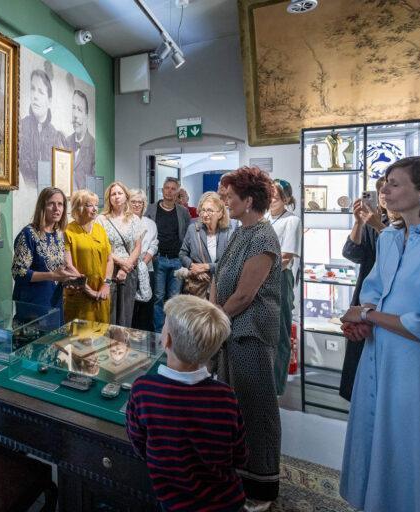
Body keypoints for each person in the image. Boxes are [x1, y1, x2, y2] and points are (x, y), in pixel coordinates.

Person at [339, 156, 420, 512]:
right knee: (378, 435)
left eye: (395, 183)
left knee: (413, 447)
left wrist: (368, 315)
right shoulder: (391, 237)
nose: (385, 190)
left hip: (419, 366)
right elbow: (375, 289)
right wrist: (364, 321)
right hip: (380, 354)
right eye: (385, 182)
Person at [126, 295, 246, 512]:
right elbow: (239, 455)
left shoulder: (143, 390)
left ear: (167, 340)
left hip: (175, 503)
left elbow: (139, 444)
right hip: (228, 500)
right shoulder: (225, 396)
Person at [214, 166, 282, 510]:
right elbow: (220, 274)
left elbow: (244, 295)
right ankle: (239, 473)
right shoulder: (241, 232)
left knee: (256, 408)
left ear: (249, 200)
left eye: (230, 197)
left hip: (250, 332)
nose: (226, 202)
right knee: (236, 405)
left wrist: (213, 320)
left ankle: (262, 486)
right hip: (231, 328)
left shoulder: (263, 238)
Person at [338, 178, 389, 401]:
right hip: (367, 296)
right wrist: (359, 223)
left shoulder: (405, 225)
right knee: (360, 357)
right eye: (381, 191)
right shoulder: (373, 222)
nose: (385, 195)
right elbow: (352, 253)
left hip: (388, 300)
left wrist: (378, 226)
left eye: (393, 187)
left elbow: (403, 252)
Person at [12, 187, 81, 315]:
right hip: (33, 305)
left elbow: (57, 270)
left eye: (60, 204)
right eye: (51, 204)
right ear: (42, 207)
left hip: (54, 301)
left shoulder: (59, 235)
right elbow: (19, 272)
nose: (56, 208)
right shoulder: (28, 234)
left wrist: (68, 280)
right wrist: (52, 275)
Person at [265, 178, 301, 395]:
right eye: (269, 196)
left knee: (280, 333)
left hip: (279, 278)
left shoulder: (292, 221)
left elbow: (286, 257)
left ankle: (277, 386)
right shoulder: (265, 218)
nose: (271, 200)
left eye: (275, 197)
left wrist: (259, 267)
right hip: (262, 277)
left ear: (286, 199)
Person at [144, 177, 192, 332]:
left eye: (173, 189)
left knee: (174, 298)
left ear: (177, 192)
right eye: (167, 188)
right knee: (158, 297)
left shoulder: (183, 212)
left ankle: (172, 331)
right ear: (162, 190)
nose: (169, 191)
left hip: (177, 260)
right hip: (158, 259)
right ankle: (159, 332)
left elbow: (188, 235)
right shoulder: (151, 209)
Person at [64, 189, 113, 323]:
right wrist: (89, 291)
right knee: (79, 334)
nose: (95, 209)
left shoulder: (100, 230)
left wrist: (106, 284)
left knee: (101, 333)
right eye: (89, 205)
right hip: (79, 295)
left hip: (101, 295)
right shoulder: (68, 231)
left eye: (96, 205)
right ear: (78, 208)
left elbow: (109, 259)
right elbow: (68, 266)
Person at [97, 182, 142, 327]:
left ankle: (122, 342)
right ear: (108, 198)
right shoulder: (101, 219)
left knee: (125, 316)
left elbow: (138, 246)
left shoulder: (134, 219)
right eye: (113, 194)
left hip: (129, 271)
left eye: (119, 193)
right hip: (108, 270)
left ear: (126, 196)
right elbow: (102, 248)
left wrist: (126, 267)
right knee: (108, 315)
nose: (116, 197)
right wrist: (122, 263)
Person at [178, 191, 233, 300]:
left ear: (220, 213)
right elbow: (182, 254)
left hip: (221, 288)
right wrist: (192, 267)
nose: (205, 214)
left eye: (210, 210)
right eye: (203, 210)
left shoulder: (228, 233)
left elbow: (231, 262)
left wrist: (206, 267)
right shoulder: (193, 229)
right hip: (198, 289)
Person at [19, 69, 65, 188]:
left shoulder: (55, 136)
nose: (35, 96)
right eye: (33, 89)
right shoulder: (21, 127)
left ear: (49, 101)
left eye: (40, 92)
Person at [129, 189, 158, 332]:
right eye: (133, 201)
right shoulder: (125, 222)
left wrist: (144, 262)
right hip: (129, 268)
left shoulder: (150, 223)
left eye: (139, 202)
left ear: (144, 204)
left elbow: (154, 244)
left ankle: (144, 339)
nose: (136, 205)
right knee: (131, 307)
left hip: (147, 268)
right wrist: (133, 263)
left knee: (146, 307)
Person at [65, 90, 95, 191]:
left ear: (86, 116)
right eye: (73, 108)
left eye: (79, 109)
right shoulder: (65, 142)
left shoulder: (93, 146)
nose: (75, 115)